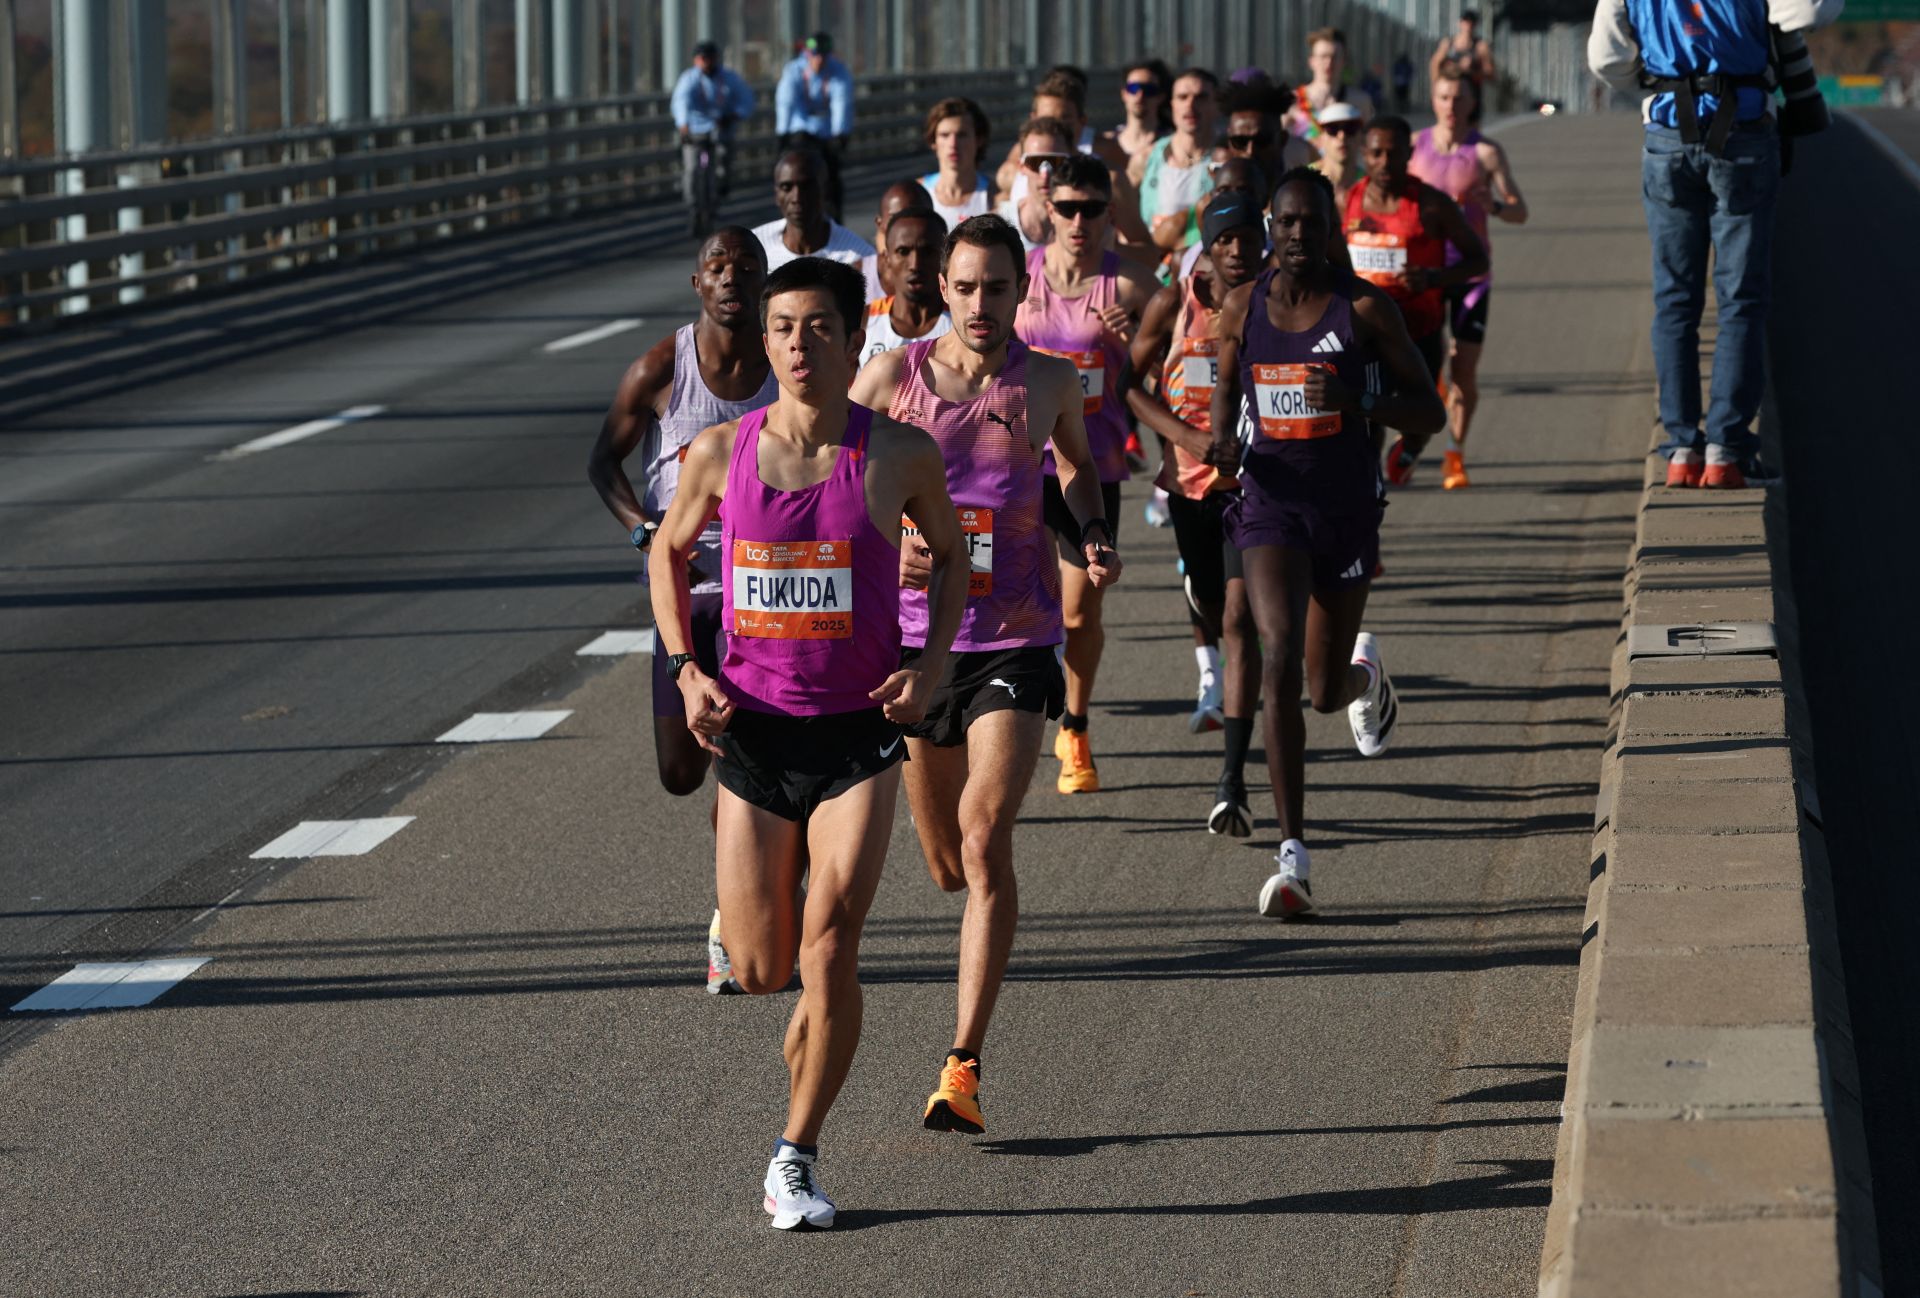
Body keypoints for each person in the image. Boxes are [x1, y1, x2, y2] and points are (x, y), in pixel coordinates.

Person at [650, 256, 969, 1230]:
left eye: (818, 326)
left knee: (831, 949)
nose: (797, 344)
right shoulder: (720, 452)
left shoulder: (899, 454)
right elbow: (668, 550)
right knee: (761, 967)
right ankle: (753, 936)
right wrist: (685, 665)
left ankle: (795, 1153)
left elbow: (951, 555)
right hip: (753, 739)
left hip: (856, 739)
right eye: (782, 327)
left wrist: (933, 659)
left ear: (849, 336)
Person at [850, 213, 1120, 1136]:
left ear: (1020, 291)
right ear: (942, 291)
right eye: (963, 288)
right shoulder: (893, 379)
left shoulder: (1048, 380)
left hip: (1015, 636)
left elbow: (1078, 473)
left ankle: (962, 1064)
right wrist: (897, 549)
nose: (978, 305)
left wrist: (1090, 530)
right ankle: (978, 935)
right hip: (922, 648)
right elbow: (839, 496)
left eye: (996, 288)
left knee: (983, 835)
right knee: (942, 866)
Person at [1209, 168, 1446, 917]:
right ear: (1270, 230)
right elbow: (1224, 383)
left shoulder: (1364, 308)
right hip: (1270, 502)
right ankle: (1294, 855)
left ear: (1331, 229)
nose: (1296, 236)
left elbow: (1428, 413)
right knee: (1274, 654)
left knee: (1319, 691)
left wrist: (1355, 399)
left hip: (1344, 508)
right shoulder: (1245, 305)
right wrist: (1219, 440)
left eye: (1311, 223)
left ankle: (1363, 676)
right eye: (1285, 224)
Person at [588, 228, 779, 994]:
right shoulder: (662, 369)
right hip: (679, 596)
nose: (732, 279)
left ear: (764, 281)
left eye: (745, 268)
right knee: (680, 772)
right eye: (718, 268)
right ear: (697, 283)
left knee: (743, 762)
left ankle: (733, 917)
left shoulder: (785, 363)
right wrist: (645, 531)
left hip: (759, 598)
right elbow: (601, 459)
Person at [1589, 0, 1839, 488]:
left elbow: (1605, 59)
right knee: (1740, 300)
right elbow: (1812, 11)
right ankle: (1726, 451)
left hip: (1666, 136)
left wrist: (1650, 77)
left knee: (1675, 299)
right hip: (1742, 134)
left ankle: (1681, 449)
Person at [1014, 155, 1158, 794]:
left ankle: (1074, 724)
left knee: (1077, 613)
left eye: (1091, 209)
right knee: (1003, 601)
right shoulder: (1018, 281)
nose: (1078, 221)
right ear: (1049, 210)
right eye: (1067, 208)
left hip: (1088, 471)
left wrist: (1134, 348)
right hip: (1014, 468)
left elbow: (1174, 372)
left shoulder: (1130, 287)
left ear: (1109, 213)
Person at [1129, 192, 1266, 758]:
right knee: (1211, 601)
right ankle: (1236, 665)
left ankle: (1240, 725)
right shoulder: (1172, 303)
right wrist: (1186, 437)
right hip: (1189, 480)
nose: (1237, 250)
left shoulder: (1275, 300)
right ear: (1205, 247)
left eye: (1246, 238)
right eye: (1224, 239)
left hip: (1258, 481)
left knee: (1239, 614)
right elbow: (1128, 386)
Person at [1341, 116, 1487, 484]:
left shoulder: (1432, 205)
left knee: (1421, 417)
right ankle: (1368, 487)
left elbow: (1478, 259)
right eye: (1376, 153)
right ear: (1364, 154)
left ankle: (1409, 448)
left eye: (1393, 153)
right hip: (1363, 334)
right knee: (1367, 416)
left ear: (1409, 153)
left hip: (1417, 334)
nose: (1385, 162)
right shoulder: (1347, 202)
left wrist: (1433, 277)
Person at [1410, 69, 1530, 490]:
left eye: (1459, 98)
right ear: (1433, 98)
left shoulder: (1486, 153)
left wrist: (1493, 205)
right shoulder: (1414, 148)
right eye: (1443, 97)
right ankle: (1425, 413)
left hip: (1472, 275)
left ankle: (1454, 455)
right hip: (1424, 273)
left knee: (1465, 374)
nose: (1450, 106)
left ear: (1472, 103)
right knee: (1424, 364)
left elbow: (1520, 210)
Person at [993, 71, 1152, 252]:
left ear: (1082, 121)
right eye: (1046, 119)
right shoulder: (1020, 160)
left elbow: (1146, 251)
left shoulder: (1109, 176)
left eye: (1064, 119)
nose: (1055, 127)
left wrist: (1102, 253)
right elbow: (1001, 191)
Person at [1133, 67, 1222, 258]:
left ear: (1216, 104)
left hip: (1208, 268)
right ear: (1172, 104)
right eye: (1182, 97)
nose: (1190, 105)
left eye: (1201, 97)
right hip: (1157, 272)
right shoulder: (1146, 157)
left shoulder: (1229, 159)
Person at [671, 41, 757, 233]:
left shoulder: (728, 78)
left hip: (720, 128)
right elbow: (681, 102)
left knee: (723, 158)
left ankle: (720, 189)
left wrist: (734, 115)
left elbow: (746, 99)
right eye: (702, 59)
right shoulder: (690, 78)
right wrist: (683, 127)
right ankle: (694, 206)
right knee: (693, 169)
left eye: (709, 58)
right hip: (695, 132)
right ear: (696, 60)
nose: (706, 63)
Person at [754, 148, 875, 272]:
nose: (797, 197)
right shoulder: (754, 248)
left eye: (807, 187)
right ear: (776, 195)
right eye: (787, 187)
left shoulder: (860, 258)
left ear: (827, 191)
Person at [858, 206, 951, 366]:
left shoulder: (962, 321)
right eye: (903, 251)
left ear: (945, 256)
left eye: (927, 252)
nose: (915, 264)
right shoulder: (863, 321)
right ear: (886, 259)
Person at [775, 32, 855, 220]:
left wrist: (840, 134)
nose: (818, 60)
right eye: (814, 55)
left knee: (832, 176)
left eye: (823, 55)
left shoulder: (838, 72)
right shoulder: (794, 70)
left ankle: (836, 221)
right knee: (796, 170)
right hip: (801, 129)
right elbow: (785, 102)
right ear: (807, 54)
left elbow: (841, 103)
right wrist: (782, 134)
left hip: (826, 131)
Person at [1221, 81, 1319, 210]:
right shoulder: (1214, 205)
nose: (1250, 151)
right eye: (1240, 141)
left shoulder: (1308, 202)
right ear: (1229, 141)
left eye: (1262, 140)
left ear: (1282, 140)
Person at [996, 116, 1077, 253]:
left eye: (1055, 162)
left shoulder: (1087, 225)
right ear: (1022, 166)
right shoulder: (998, 226)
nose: (1045, 173)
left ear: (1070, 164)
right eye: (1035, 162)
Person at [1288, 28, 1377, 140]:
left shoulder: (1360, 101)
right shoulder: (1293, 100)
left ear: (1344, 60)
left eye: (1334, 56)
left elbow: (1367, 142)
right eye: (1323, 56)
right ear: (1311, 61)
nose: (1329, 62)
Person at [920, 97, 995, 230]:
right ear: (933, 141)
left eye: (961, 135)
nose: (953, 144)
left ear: (979, 140)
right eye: (944, 135)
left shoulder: (995, 195)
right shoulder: (917, 194)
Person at [860, 180, 933, 301]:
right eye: (897, 218)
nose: (907, 226)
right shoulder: (857, 275)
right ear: (880, 223)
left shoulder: (949, 272)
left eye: (916, 216)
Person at [1431, 11, 1496, 124]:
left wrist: (1471, 71)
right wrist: (1437, 85)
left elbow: (1491, 73)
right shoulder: (1448, 44)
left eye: (1471, 23)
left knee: (1471, 131)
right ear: (1460, 23)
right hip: (1451, 94)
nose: (1468, 26)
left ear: (1476, 25)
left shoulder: (1481, 46)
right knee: (1447, 126)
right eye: (1466, 22)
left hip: (1470, 95)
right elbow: (1435, 64)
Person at [1106, 57, 1174, 162]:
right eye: (1133, 88)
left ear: (1161, 97)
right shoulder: (1106, 143)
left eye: (1149, 90)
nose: (1140, 95)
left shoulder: (1173, 143)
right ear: (1124, 94)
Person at [1311, 101, 1366, 198]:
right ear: (1320, 138)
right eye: (1332, 129)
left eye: (1350, 128)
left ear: (1361, 137)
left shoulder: (1370, 184)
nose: (1342, 136)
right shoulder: (1303, 179)